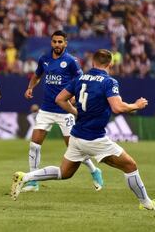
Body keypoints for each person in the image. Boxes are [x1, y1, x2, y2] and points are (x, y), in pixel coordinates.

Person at [11, 49, 155, 211]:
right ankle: (147, 203)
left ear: (93, 62)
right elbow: (117, 107)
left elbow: (60, 99)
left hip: (77, 136)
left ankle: (26, 176)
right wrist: (136, 105)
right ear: (111, 63)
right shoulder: (109, 82)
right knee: (130, 165)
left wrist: (75, 111)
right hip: (94, 138)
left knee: (64, 172)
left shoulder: (80, 78)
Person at [23, 30, 103, 192]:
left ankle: (94, 170)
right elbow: (37, 75)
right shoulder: (44, 59)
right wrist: (30, 87)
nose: (57, 45)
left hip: (65, 111)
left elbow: (79, 81)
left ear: (65, 43)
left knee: (74, 147)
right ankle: (33, 182)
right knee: (34, 145)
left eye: (60, 42)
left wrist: (73, 99)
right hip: (46, 109)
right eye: (55, 42)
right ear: (51, 43)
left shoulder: (71, 61)